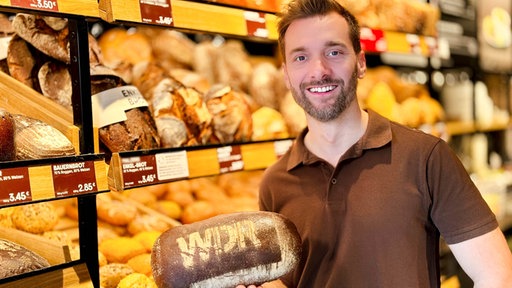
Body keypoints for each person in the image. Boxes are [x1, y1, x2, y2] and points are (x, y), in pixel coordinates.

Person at [237, 0, 512, 287]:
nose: (318, 70)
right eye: (300, 57)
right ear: (286, 75)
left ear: (360, 63)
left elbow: (498, 276)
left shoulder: (425, 158)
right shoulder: (274, 184)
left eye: (334, 52)